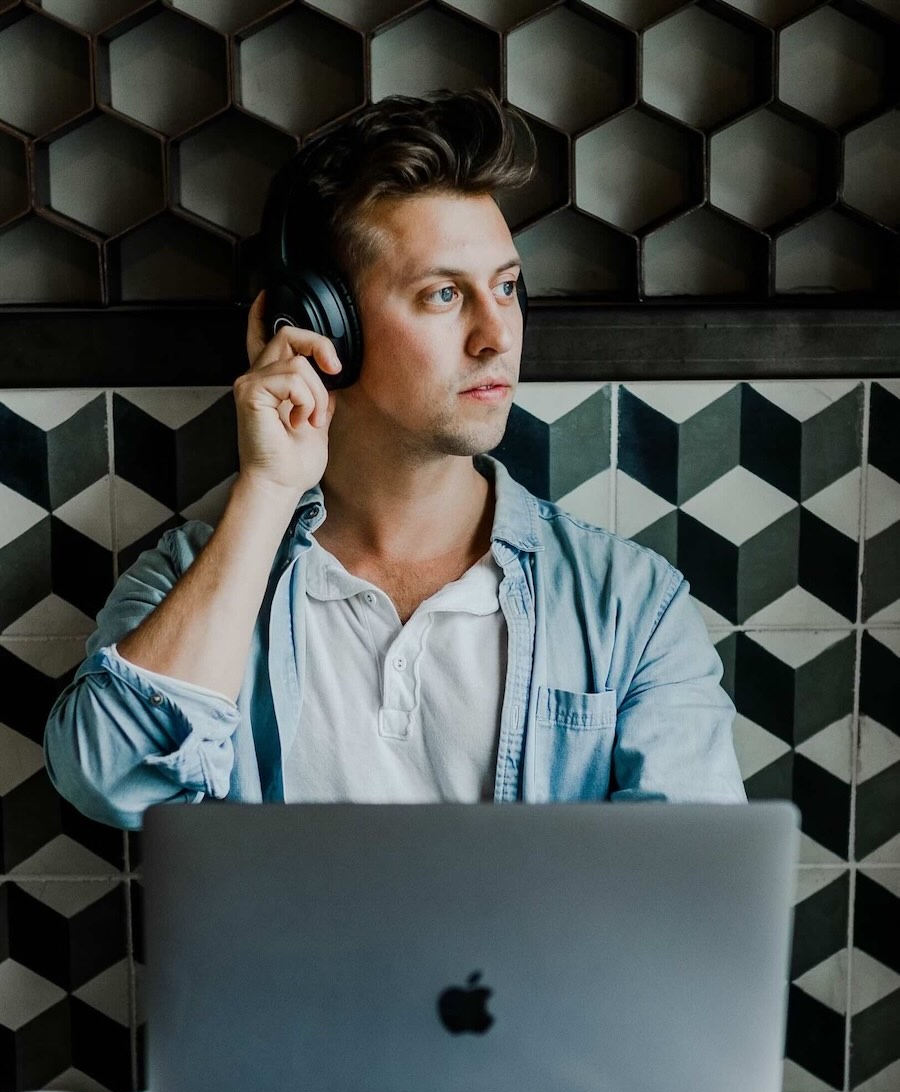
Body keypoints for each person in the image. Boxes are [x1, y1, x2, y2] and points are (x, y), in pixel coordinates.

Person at [44, 88, 745, 831]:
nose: (496, 336)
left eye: (506, 288)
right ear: (321, 324)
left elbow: (687, 908)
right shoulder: (196, 579)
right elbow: (109, 782)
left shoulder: (630, 607)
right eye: (444, 294)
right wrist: (269, 491)